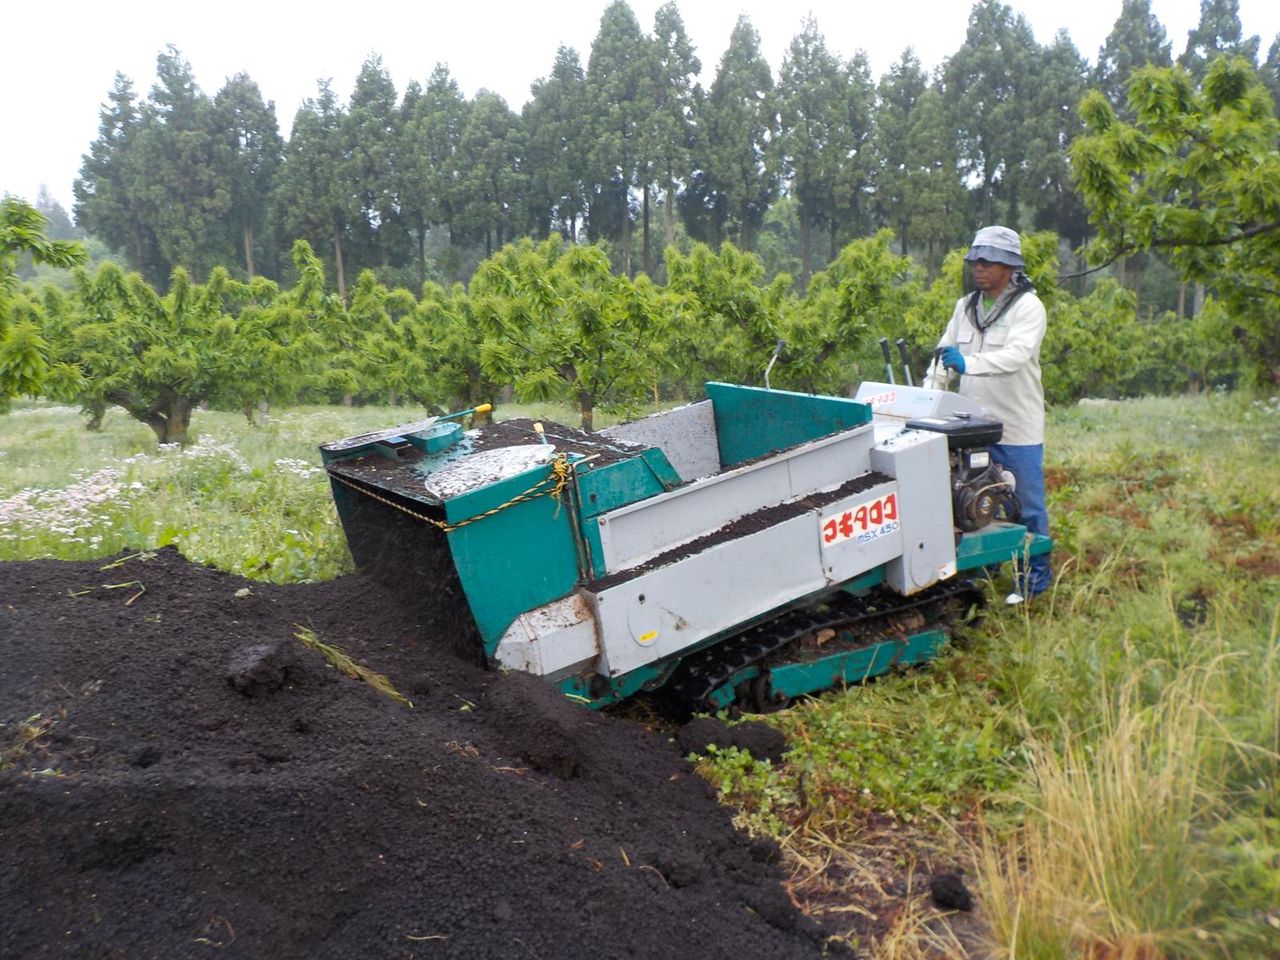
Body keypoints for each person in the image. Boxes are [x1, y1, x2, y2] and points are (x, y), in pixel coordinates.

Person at [923, 225, 1052, 604]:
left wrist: (969, 363)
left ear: (1010, 267)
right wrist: (926, 398)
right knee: (972, 503)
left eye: (988, 262)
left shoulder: (1028, 308)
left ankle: (1034, 585)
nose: (979, 268)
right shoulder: (965, 307)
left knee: (1026, 507)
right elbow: (942, 359)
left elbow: (1016, 356)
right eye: (976, 261)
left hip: (1015, 427)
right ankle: (980, 578)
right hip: (971, 428)